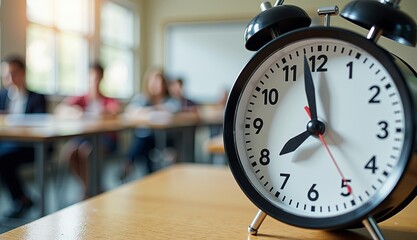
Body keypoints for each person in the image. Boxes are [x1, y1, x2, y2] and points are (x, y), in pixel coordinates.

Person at [55, 62, 120, 197]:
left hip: (105, 138)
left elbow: (115, 111)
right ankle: (91, 188)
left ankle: (89, 190)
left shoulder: (108, 100)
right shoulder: (81, 98)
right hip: (83, 137)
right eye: (91, 77)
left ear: (101, 79)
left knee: (86, 151)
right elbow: (60, 109)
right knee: (71, 152)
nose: (93, 81)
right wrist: (75, 112)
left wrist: (103, 114)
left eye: (96, 78)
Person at [0, 55, 47, 218]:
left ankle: (21, 199)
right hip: (7, 145)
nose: (10, 79)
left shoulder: (37, 97)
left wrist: (11, 119)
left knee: (3, 159)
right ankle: (22, 199)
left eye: (13, 73)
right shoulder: (2, 96)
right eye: (6, 75)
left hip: (31, 146)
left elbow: (40, 122)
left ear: (23, 73)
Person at [120, 69, 180, 180]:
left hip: (166, 138)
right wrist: (151, 111)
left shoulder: (170, 100)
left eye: (159, 82)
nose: (155, 85)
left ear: (164, 85)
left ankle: (127, 165)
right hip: (146, 138)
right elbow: (130, 111)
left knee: (142, 143)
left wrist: (146, 111)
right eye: (153, 82)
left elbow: (172, 110)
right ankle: (135, 169)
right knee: (142, 140)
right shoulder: (142, 98)